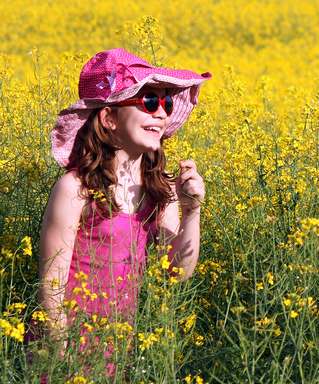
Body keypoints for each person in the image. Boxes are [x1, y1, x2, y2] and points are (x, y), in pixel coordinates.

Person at [31, 48, 211, 375]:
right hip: (62, 353)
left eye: (167, 103)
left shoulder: (161, 190)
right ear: (109, 117)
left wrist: (191, 213)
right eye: (149, 102)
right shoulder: (75, 189)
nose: (161, 113)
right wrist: (67, 360)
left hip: (116, 350)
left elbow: (178, 272)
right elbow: (50, 288)